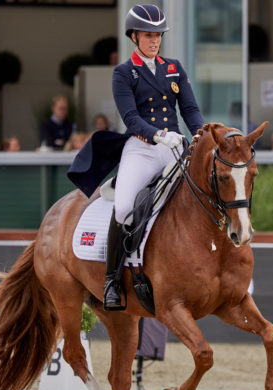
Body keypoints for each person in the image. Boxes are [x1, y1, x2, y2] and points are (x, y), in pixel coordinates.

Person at [101, 4, 205, 310]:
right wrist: (158, 135)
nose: (154, 40)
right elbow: (130, 118)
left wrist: (201, 133)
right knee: (123, 209)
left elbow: (189, 109)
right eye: (148, 35)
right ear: (134, 36)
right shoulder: (124, 73)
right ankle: (112, 280)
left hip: (175, 148)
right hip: (143, 148)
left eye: (158, 35)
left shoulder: (173, 67)